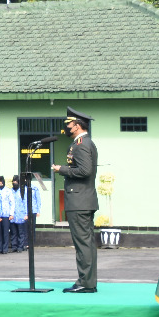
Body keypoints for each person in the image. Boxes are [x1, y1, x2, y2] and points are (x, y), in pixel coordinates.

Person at [52, 107, 99, 292]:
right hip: (83, 199)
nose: (67, 127)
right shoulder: (82, 143)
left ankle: (85, 283)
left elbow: (85, 171)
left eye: (69, 124)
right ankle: (87, 282)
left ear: (77, 126)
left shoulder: (82, 144)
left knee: (83, 244)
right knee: (85, 243)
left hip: (79, 200)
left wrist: (61, 169)